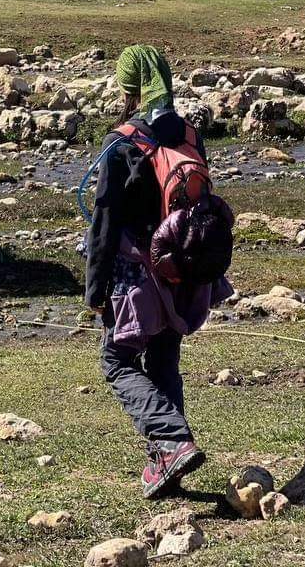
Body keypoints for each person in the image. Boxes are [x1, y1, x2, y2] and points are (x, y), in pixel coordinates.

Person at [85, 45, 232, 499]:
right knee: (165, 358)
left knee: (116, 361)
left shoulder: (122, 143)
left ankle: (171, 442)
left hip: (137, 276)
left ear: (128, 87)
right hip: (184, 272)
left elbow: (104, 224)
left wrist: (95, 289)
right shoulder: (190, 133)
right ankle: (169, 464)